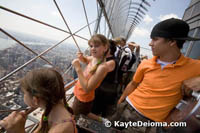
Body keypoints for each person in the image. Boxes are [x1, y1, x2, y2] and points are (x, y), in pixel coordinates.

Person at [111, 18, 200, 133]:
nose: (150, 43)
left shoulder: (194, 67)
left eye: (155, 39)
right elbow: (133, 84)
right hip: (125, 107)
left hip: (146, 123)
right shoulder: (146, 63)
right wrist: (121, 100)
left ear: (172, 41)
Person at [0, 68, 77, 133]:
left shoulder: (60, 129)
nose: (24, 95)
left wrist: (18, 131)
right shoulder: (52, 110)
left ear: (35, 100)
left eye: (24, 93)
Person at [71, 34, 113, 122]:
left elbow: (87, 88)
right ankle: (102, 120)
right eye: (91, 46)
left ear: (105, 48)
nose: (93, 48)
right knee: (85, 112)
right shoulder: (94, 58)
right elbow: (86, 59)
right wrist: (81, 58)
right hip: (81, 94)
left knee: (74, 117)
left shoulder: (102, 67)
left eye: (96, 46)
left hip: (83, 98)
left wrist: (78, 69)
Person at [92, 39, 118, 117]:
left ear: (108, 49)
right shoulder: (107, 59)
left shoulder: (111, 62)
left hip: (103, 94)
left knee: (96, 112)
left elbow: (94, 71)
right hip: (102, 91)